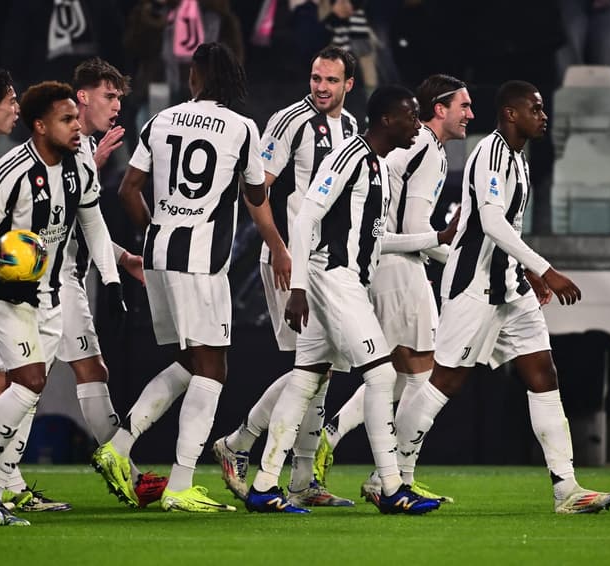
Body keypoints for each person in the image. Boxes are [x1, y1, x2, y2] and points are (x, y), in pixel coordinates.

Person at [393, 80, 610, 515]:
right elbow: (493, 224)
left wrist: (525, 274)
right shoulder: (491, 154)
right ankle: (391, 477)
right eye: (535, 109)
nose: (544, 115)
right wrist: (547, 270)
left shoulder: (519, 159)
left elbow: (509, 232)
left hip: (510, 290)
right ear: (512, 114)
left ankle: (567, 490)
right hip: (473, 288)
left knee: (544, 374)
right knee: (444, 382)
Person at [244, 85, 455, 514]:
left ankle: (265, 484)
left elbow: (378, 241)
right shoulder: (348, 155)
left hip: (347, 280)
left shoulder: (376, 166)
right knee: (380, 377)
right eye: (411, 116)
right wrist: (299, 287)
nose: (418, 124)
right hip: (332, 278)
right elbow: (304, 220)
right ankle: (393, 488)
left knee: (306, 377)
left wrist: (437, 239)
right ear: (386, 120)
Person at [94, 42, 273, 513]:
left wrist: (153, 230)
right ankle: (181, 484)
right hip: (201, 260)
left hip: (158, 251)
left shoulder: (161, 119)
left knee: (191, 361)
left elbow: (129, 189)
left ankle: (118, 446)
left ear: (196, 75)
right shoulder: (242, 128)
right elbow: (257, 193)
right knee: (214, 367)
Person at [0, 80, 125, 526]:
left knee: (29, 393)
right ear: (39, 125)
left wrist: (110, 281)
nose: (75, 127)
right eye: (66, 120)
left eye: (75, 118)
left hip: (50, 297)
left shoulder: (79, 169)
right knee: (28, 381)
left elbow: (94, 225)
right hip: (6, 297)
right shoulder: (11, 171)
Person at [314, 74, 474, 503]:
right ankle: (394, 475)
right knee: (421, 373)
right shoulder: (424, 146)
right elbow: (415, 228)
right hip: (398, 267)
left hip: (389, 264)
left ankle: (333, 441)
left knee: (396, 373)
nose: (469, 115)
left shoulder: (416, 146)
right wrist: (458, 254)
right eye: (463, 106)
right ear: (439, 108)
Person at [211, 45, 358, 508]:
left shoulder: (352, 127)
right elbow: (256, 189)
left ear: (348, 85)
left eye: (331, 80)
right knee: (308, 369)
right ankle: (240, 443)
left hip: (327, 262)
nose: (320, 87)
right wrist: (278, 248)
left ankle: (300, 480)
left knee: (320, 370)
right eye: (316, 78)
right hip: (291, 260)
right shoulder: (289, 120)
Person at [56, 57, 171, 508]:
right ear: (82, 97)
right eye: (109, 95)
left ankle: (125, 471)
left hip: (67, 279)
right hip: (43, 283)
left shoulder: (82, 148)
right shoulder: (60, 143)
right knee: (13, 383)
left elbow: (86, 222)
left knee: (89, 370)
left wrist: (122, 259)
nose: (117, 105)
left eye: (120, 97)